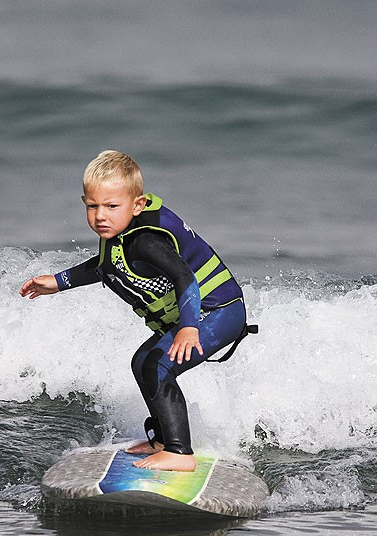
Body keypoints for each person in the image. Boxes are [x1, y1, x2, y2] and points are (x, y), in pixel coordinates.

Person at [20, 150, 254, 472]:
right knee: (142, 361)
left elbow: (184, 277)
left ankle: (179, 453)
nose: (100, 215)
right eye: (92, 206)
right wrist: (58, 282)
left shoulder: (145, 241)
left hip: (217, 312)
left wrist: (188, 327)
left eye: (111, 207)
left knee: (158, 365)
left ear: (138, 205)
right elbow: (105, 267)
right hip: (199, 315)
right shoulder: (120, 234)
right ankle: (163, 439)